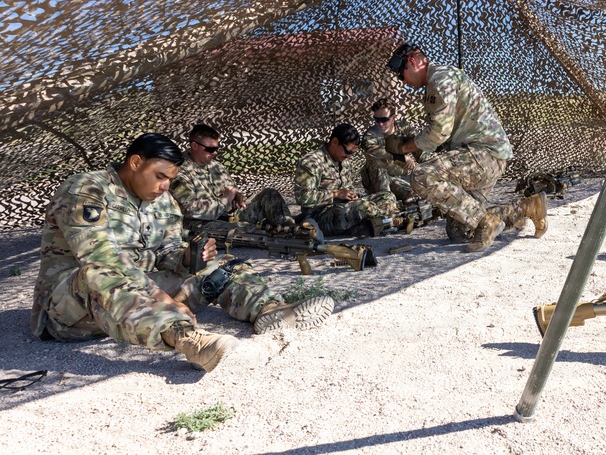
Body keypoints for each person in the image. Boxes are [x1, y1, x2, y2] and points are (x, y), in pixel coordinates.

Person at [30, 133, 336, 373]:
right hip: (71, 308)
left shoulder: (163, 201)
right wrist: (157, 295)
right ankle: (188, 339)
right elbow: (100, 258)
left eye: (170, 180)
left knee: (222, 265)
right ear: (135, 162)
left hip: (138, 301)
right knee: (99, 273)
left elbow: (166, 250)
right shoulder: (87, 189)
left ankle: (270, 311)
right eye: (159, 176)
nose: (166, 186)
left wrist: (188, 258)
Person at [384, 42, 547, 251]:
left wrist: (405, 147)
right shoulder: (439, 79)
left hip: (484, 155)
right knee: (460, 230)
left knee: (422, 176)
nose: (403, 81)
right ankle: (527, 207)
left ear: (412, 62)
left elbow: (439, 132)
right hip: (482, 156)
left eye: (401, 74)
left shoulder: (440, 79)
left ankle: (486, 222)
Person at [171, 124, 292, 230]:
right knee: (248, 230)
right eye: (210, 149)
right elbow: (191, 210)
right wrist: (226, 199)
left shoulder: (216, 166)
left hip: (228, 214)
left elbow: (231, 189)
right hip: (201, 223)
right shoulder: (180, 172)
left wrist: (237, 196)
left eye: (216, 148)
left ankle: (290, 229)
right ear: (194, 146)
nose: (215, 153)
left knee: (270, 194)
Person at [294, 123, 398, 237]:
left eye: (352, 153)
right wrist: (335, 194)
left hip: (345, 207)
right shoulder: (311, 162)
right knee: (364, 207)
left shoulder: (344, 161)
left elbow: (348, 187)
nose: (349, 156)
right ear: (335, 142)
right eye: (348, 152)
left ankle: (373, 223)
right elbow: (303, 197)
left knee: (387, 196)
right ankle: (382, 221)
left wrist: (352, 195)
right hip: (320, 215)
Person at [360, 97, 417, 201]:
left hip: (398, 176)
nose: (380, 124)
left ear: (394, 117)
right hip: (377, 178)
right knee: (375, 160)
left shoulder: (404, 128)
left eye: (384, 120)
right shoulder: (371, 133)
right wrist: (398, 156)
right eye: (376, 119)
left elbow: (419, 150)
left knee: (412, 196)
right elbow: (370, 150)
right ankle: (385, 199)